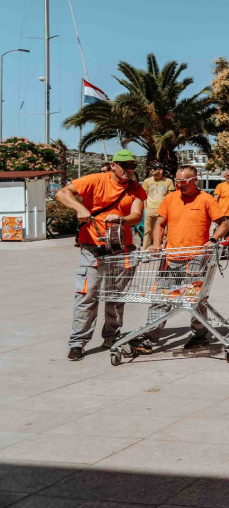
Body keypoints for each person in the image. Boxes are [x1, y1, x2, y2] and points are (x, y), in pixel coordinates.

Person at [56, 150, 148, 361]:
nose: (128, 169)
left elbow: (136, 215)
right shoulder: (96, 180)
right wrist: (79, 207)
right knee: (87, 296)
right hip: (93, 249)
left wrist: (122, 219)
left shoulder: (135, 188)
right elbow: (62, 193)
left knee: (116, 297)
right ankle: (78, 342)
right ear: (113, 165)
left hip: (120, 250)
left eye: (132, 165)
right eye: (124, 165)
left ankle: (111, 336)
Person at [140, 165, 229, 351]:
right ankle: (149, 338)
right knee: (161, 297)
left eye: (183, 182)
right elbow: (160, 224)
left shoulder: (205, 199)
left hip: (196, 258)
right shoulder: (170, 198)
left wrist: (212, 239)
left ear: (194, 180)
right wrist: (157, 244)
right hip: (171, 258)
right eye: (177, 181)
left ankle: (200, 335)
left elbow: (224, 224)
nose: (179, 185)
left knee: (194, 299)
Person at [141, 162, 174, 250]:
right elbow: (144, 195)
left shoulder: (168, 181)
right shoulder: (147, 181)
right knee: (147, 232)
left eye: (154, 168)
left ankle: (165, 251)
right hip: (150, 209)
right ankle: (145, 251)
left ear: (160, 170)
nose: (152, 170)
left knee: (165, 233)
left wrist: (168, 209)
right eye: (151, 168)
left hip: (163, 211)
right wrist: (145, 208)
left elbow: (170, 196)